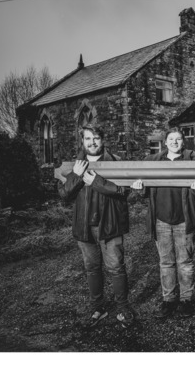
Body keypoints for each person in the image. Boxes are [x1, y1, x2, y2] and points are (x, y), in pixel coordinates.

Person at [58, 124, 134, 328]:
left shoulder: (115, 162)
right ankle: (97, 308)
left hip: (110, 224)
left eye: (96, 138)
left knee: (116, 267)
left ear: (103, 140)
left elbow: (124, 192)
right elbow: (64, 195)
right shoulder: (74, 165)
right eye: (88, 138)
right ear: (82, 141)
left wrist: (96, 182)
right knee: (92, 268)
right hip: (84, 226)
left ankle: (123, 308)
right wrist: (75, 175)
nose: (92, 142)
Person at [131, 127, 195, 319]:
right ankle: (169, 300)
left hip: (185, 220)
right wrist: (140, 189)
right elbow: (146, 190)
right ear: (165, 142)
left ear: (183, 142)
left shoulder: (192, 161)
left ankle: (186, 300)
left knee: (185, 263)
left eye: (178, 139)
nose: (175, 142)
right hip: (161, 220)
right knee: (166, 263)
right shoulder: (153, 162)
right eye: (171, 139)